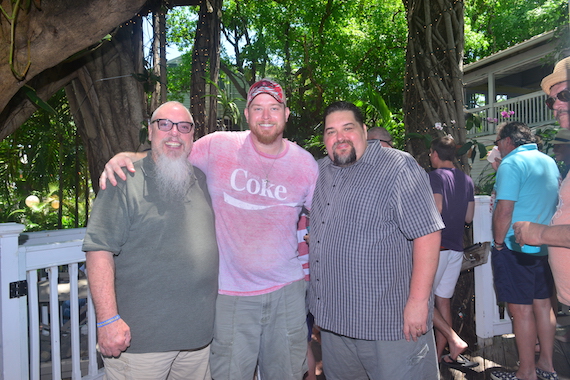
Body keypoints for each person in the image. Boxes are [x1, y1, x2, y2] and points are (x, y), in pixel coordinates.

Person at [99, 79, 319, 380]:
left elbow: (325, 222)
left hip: (287, 290)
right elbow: (173, 151)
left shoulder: (306, 164)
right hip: (231, 294)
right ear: (246, 113)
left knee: (288, 373)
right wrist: (130, 156)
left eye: (274, 108)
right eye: (258, 108)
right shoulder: (218, 146)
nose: (266, 116)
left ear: (286, 114)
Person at [308, 101, 444, 379]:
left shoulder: (396, 167)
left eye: (348, 128)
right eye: (331, 131)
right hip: (335, 326)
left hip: (389, 324)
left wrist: (419, 303)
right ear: (324, 139)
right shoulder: (318, 173)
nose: (340, 137)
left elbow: (428, 233)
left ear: (364, 131)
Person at [83, 101, 219, 379]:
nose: (174, 134)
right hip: (141, 343)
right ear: (150, 131)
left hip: (197, 340)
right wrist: (107, 320)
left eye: (184, 127)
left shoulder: (201, 180)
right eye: (164, 124)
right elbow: (98, 251)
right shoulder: (123, 180)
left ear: (192, 135)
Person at [490, 121, 560, 380]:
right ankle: (547, 366)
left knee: (520, 311)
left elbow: (505, 210)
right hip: (543, 245)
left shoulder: (512, 163)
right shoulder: (547, 161)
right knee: (543, 306)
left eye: (498, 143)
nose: (498, 148)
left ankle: (526, 372)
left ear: (508, 141)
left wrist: (498, 243)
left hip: (514, 245)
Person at [428, 136, 477, 369]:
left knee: (423, 301)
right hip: (456, 249)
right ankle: (439, 357)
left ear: (435, 154)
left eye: (430, 154)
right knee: (443, 301)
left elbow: (436, 209)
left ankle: (454, 339)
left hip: (437, 248)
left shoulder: (435, 177)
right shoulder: (466, 179)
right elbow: (469, 217)